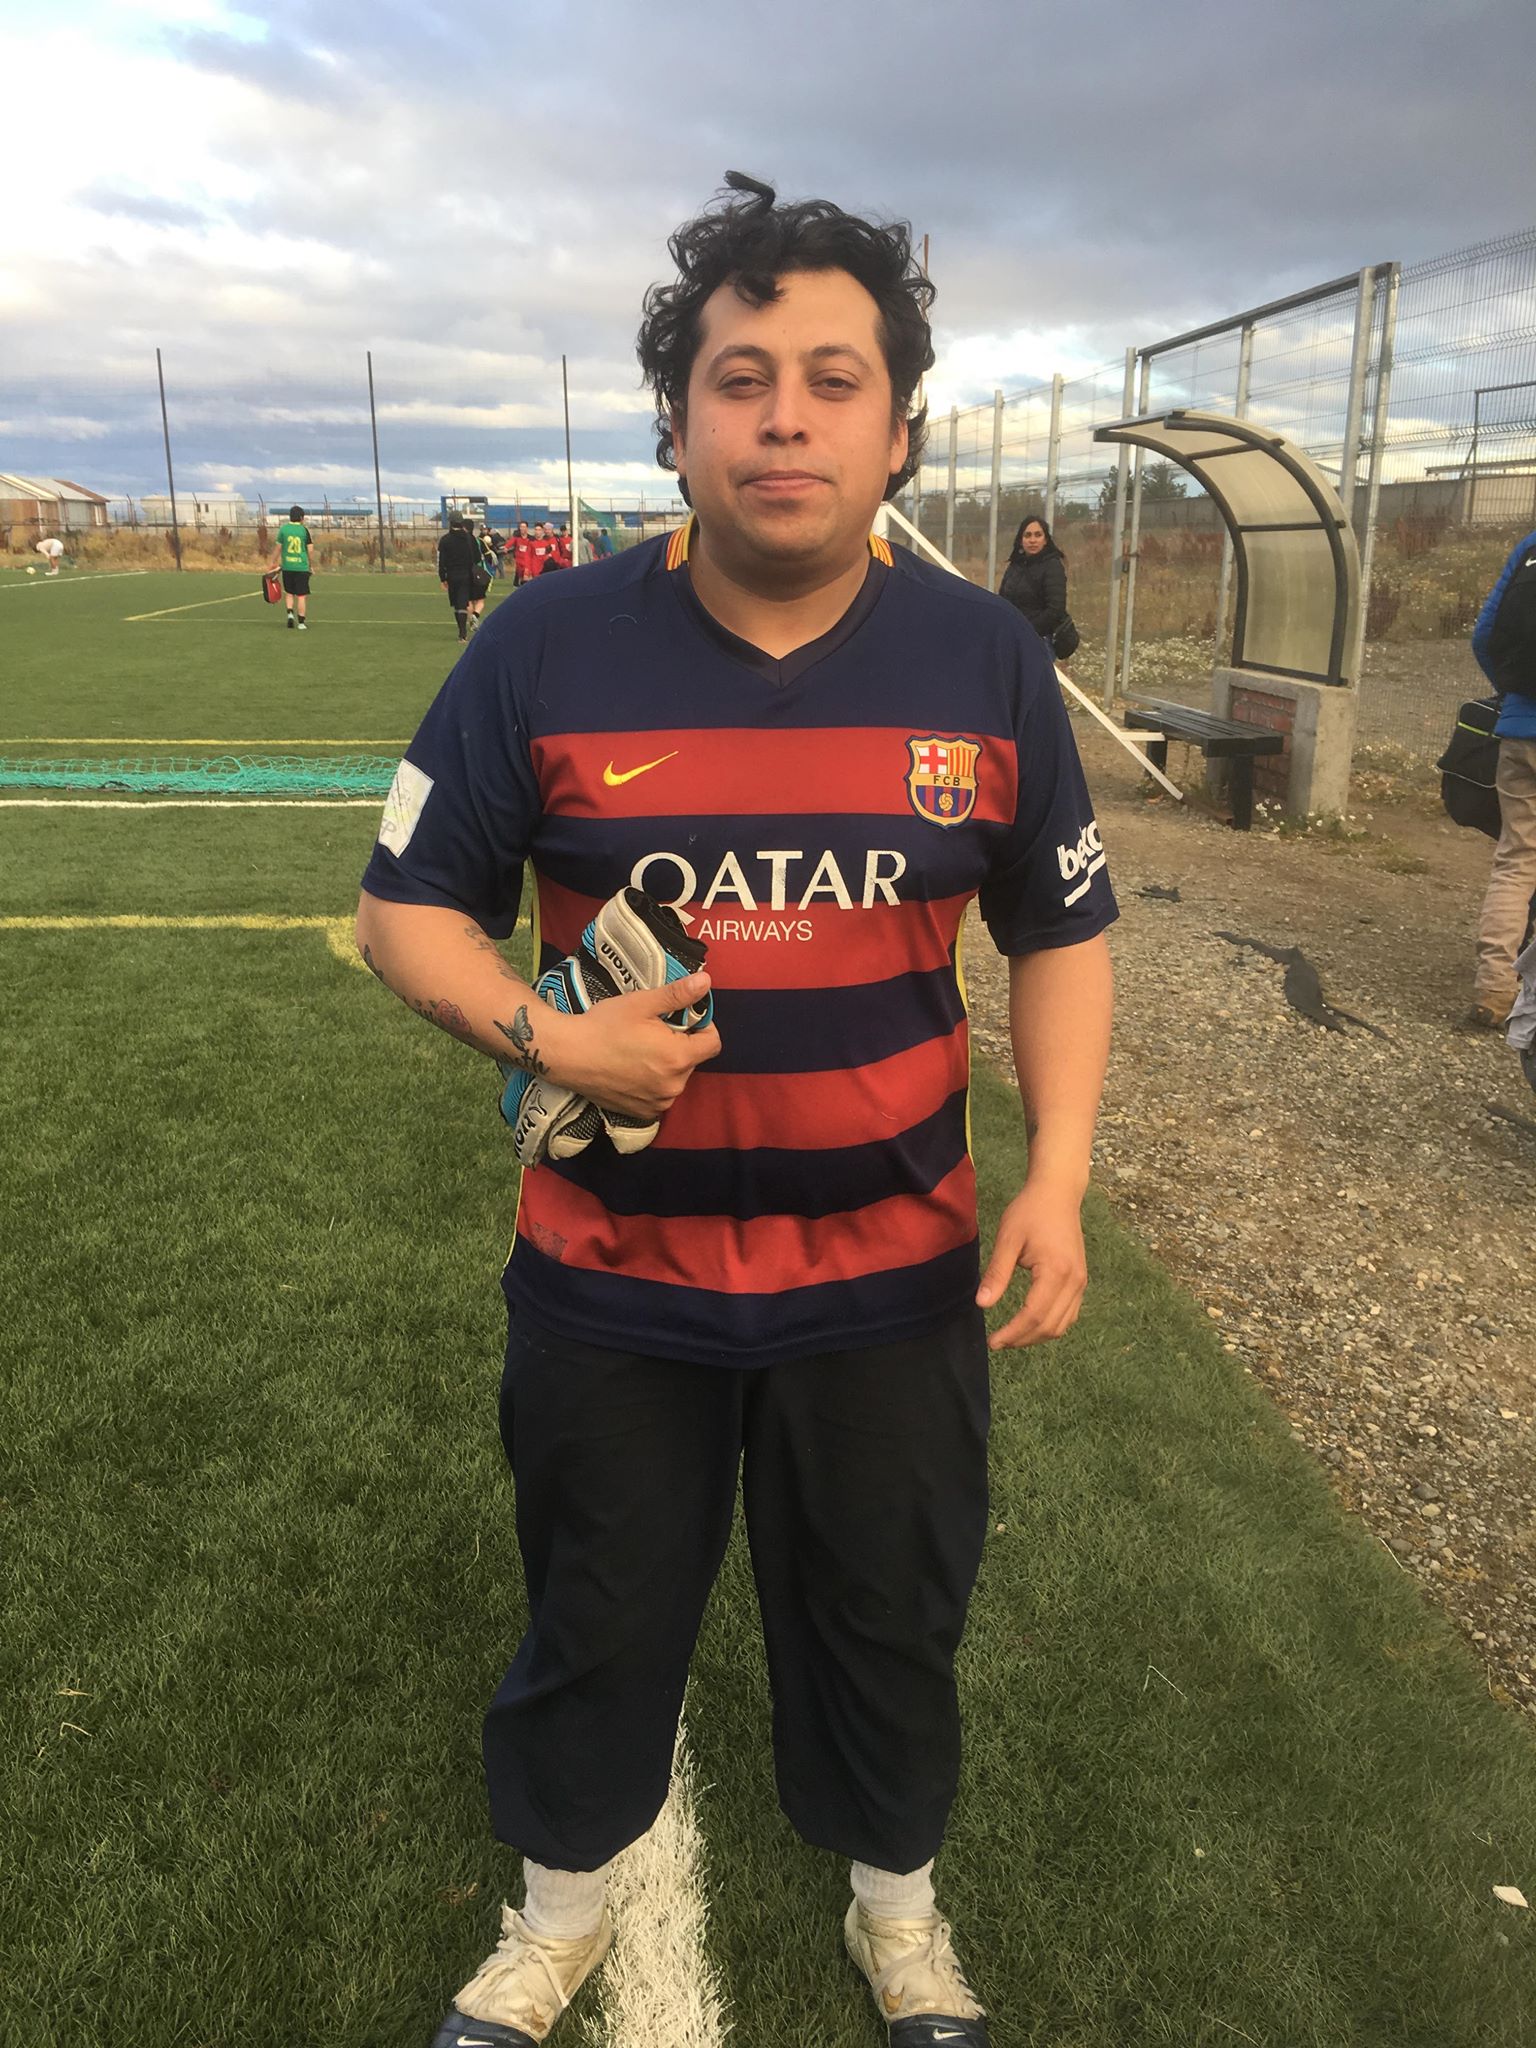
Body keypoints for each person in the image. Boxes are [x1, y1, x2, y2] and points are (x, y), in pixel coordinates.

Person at [356, 169, 1115, 2048]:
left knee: (888, 1615)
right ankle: (554, 1917)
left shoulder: (987, 662)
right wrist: (548, 1040)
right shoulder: (540, 648)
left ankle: (900, 1914)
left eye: (834, 381)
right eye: (742, 378)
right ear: (677, 423)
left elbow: (1060, 929)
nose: (787, 418)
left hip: (891, 1285)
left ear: (898, 430)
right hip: (613, 1281)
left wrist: (1061, 1174)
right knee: (596, 1611)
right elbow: (403, 913)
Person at [1466, 525, 1536, 1029]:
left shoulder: (1530, 546)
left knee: (1517, 860)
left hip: (1520, 734)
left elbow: (1484, 636)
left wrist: (1512, 693)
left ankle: (1494, 990)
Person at [997, 514, 1068, 652]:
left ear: (1045, 540)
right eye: (1028, 535)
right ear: (1021, 540)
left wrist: (1027, 630)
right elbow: (1003, 599)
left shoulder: (1052, 566)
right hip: (1013, 638)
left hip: (1040, 640)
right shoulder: (1015, 565)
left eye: (1038, 535)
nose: (1032, 540)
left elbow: (1055, 609)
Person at [437, 510, 488, 642]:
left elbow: (441, 561)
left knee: (457, 604)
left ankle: (462, 632)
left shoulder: (445, 540)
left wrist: (443, 578)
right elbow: (477, 558)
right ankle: (463, 634)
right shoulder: (469, 538)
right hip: (467, 574)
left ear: (450, 522)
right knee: (463, 602)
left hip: (452, 575)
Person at [268, 505, 314, 629]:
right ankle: (301, 623)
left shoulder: (283, 529)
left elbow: (278, 548)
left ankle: (290, 614)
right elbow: (310, 550)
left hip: (287, 567)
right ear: (301, 517)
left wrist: (273, 562)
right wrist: (311, 565)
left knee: (289, 593)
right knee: (301, 596)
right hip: (301, 567)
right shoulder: (304, 530)